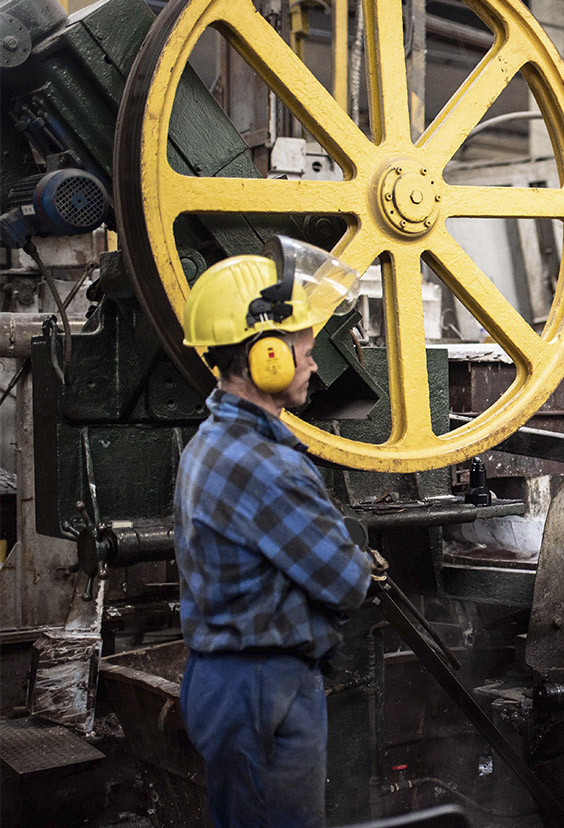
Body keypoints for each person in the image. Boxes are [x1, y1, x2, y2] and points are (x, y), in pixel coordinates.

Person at [174, 237, 373, 828]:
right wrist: (359, 556)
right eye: (303, 352)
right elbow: (347, 582)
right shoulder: (266, 466)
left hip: (226, 679)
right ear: (265, 358)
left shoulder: (210, 440)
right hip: (264, 685)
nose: (313, 364)